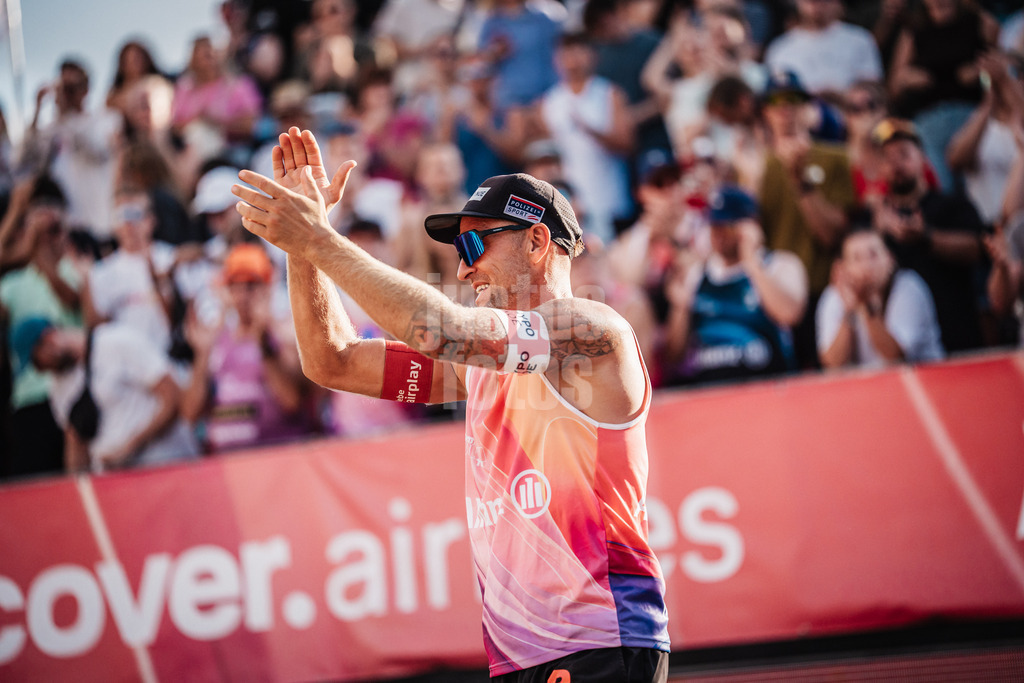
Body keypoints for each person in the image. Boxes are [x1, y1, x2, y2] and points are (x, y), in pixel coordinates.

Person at [230, 127, 670, 681]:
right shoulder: (480, 365)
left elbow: (439, 331)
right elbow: (331, 361)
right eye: (458, 252)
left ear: (537, 242)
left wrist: (319, 237)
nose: (462, 268)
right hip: (521, 652)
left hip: (601, 637)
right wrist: (302, 248)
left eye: (474, 246)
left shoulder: (591, 329)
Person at [662, 184, 807, 386]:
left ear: (751, 225)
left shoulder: (779, 265)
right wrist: (680, 307)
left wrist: (751, 262)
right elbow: (674, 356)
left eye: (727, 225)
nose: (719, 233)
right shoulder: (697, 275)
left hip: (768, 387)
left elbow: (790, 315)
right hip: (711, 390)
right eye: (714, 225)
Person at [17, 317, 198, 474]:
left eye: (37, 362)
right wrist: (78, 488)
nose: (40, 371)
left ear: (50, 340)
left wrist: (130, 447)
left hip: (162, 463)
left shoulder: (117, 342)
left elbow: (173, 396)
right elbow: (74, 441)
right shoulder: (58, 387)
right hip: (112, 480)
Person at [181, 244, 316, 452]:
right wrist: (202, 355)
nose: (242, 296)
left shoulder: (286, 334)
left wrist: (263, 342)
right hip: (228, 462)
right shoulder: (216, 340)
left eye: (251, 286)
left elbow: (292, 402)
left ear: (267, 288)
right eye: (234, 286)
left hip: (279, 456)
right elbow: (190, 414)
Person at [870, 117, 986, 354]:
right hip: (902, 345)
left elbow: (977, 249)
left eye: (904, 154)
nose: (896, 164)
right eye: (888, 158)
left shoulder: (951, 205)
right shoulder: (875, 218)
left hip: (957, 336)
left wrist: (926, 237)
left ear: (922, 158)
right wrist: (877, 235)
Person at [817, 226, 944, 368]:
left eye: (873, 255)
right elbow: (833, 363)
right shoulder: (835, 295)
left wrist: (866, 306)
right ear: (842, 267)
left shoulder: (909, 287)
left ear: (890, 259)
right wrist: (848, 313)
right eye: (856, 258)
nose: (866, 265)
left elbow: (896, 357)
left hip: (926, 375)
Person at [763, 0, 883, 99]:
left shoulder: (861, 39)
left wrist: (841, 96)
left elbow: (874, 89)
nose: (816, 4)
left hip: (849, 114)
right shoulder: (780, 48)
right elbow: (774, 96)